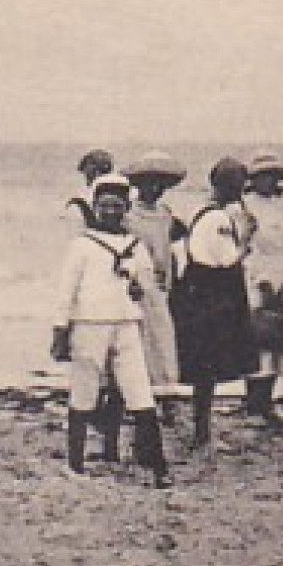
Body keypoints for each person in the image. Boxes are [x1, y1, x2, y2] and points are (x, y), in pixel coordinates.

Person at [51, 175, 172, 488]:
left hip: (126, 323)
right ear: (94, 208)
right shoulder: (81, 246)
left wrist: (136, 285)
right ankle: (75, 463)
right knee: (84, 389)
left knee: (139, 390)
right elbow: (66, 291)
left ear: (126, 209)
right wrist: (60, 331)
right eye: (104, 206)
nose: (110, 212)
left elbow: (148, 286)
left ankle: (158, 466)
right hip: (89, 323)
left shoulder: (135, 247)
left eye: (117, 206)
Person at [170, 157, 259, 448]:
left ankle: (201, 430)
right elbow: (226, 259)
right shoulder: (218, 218)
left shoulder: (204, 211)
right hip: (213, 295)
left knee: (204, 367)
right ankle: (202, 433)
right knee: (208, 366)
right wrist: (245, 239)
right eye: (237, 184)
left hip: (201, 292)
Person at [122, 151, 188, 421]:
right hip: (137, 283)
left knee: (162, 338)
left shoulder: (165, 214)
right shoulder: (129, 215)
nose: (155, 189)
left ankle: (166, 397)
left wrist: (174, 267)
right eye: (149, 183)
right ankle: (137, 398)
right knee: (138, 340)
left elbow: (176, 241)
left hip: (161, 284)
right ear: (138, 185)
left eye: (160, 184)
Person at [242, 151, 283, 424]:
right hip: (253, 278)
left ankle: (268, 400)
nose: (268, 181)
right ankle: (254, 403)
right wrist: (261, 281)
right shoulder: (244, 207)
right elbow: (245, 248)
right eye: (262, 176)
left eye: (272, 176)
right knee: (258, 339)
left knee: (280, 338)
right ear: (253, 179)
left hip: (280, 275)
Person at [66, 149, 115, 233]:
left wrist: (81, 204)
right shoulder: (118, 187)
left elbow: (99, 225)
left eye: (87, 174)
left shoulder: (102, 189)